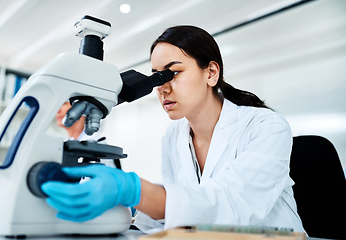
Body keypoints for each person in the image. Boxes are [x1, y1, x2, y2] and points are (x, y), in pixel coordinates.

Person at [41, 25, 306, 234]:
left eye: (173, 73)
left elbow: (234, 206)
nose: (162, 87)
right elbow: (172, 218)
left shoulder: (266, 127)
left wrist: (134, 190)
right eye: (157, 77)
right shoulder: (174, 135)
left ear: (211, 73)